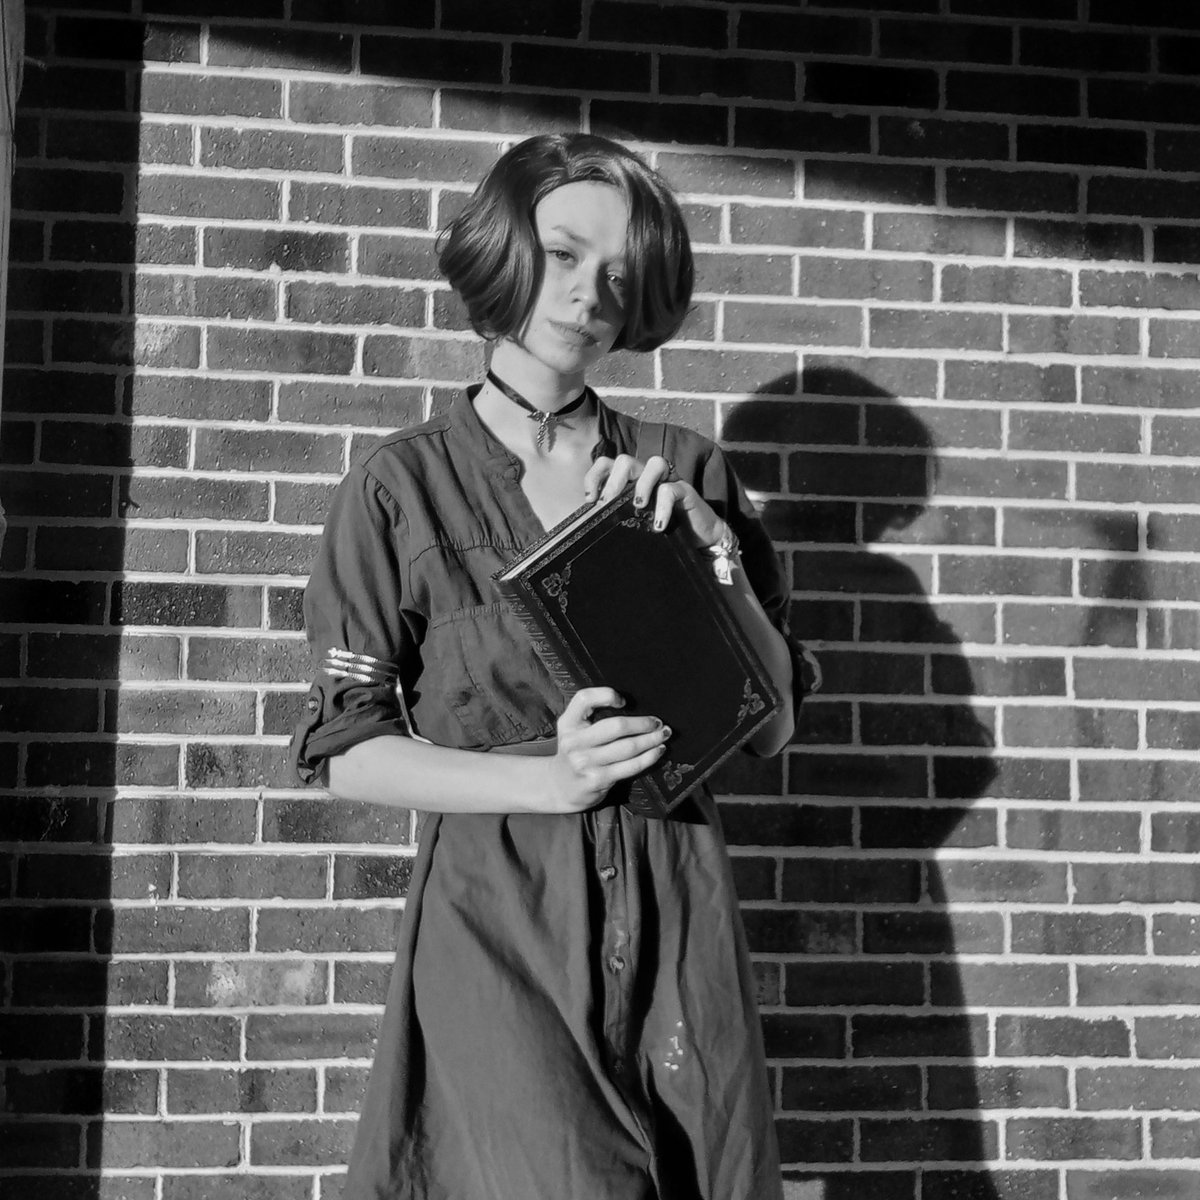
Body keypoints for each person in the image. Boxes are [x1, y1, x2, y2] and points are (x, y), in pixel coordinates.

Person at [290, 133, 813, 1200]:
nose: (590, 294)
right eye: (566, 254)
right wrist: (549, 781)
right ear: (504, 248)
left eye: (620, 273)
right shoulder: (400, 489)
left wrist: (715, 561)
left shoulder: (685, 471)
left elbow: (772, 726)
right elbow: (346, 753)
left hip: (679, 916)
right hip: (501, 919)